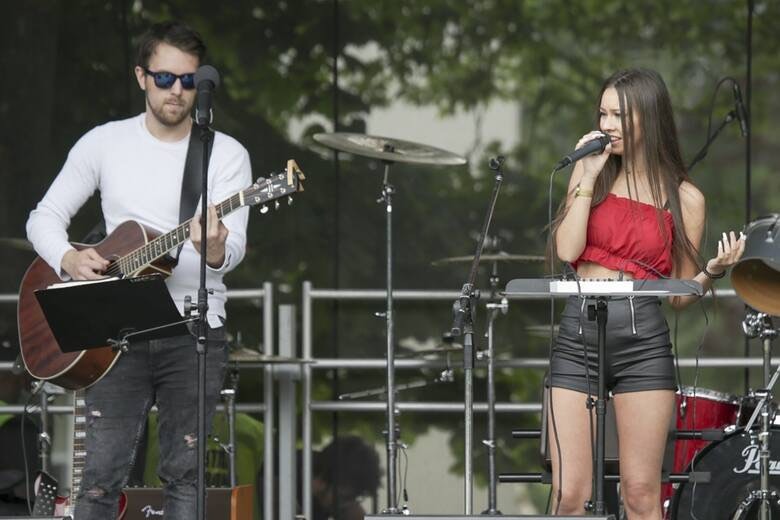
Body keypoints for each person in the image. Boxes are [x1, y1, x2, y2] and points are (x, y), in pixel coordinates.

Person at [25, 20, 251, 519]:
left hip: (195, 328)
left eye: (189, 81)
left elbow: (231, 253)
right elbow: (43, 216)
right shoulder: (104, 143)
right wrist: (66, 257)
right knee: (100, 479)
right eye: (165, 78)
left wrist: (214, 248)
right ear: (141, 77)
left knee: (186, 475)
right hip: (116, 334)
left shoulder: (226, 154)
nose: (177, 90)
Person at [548, 68, 745, 519]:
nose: (607, 124)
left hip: (643, 344)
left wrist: (712, 271)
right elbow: (567, 248)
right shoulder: (590, 175)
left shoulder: (684, 198)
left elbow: (679, 295)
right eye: (603, 113)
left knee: (640, 493)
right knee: (568, 496)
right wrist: (586, 172)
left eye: (620, 114)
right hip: (579, 335)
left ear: (648, 119)